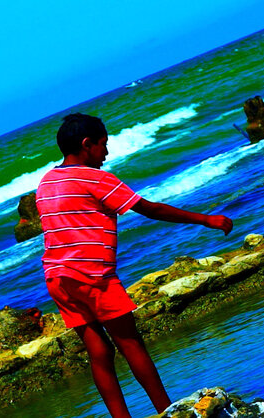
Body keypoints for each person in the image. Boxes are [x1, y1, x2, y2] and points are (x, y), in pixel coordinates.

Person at [36, 113, 233, 417]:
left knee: (99, 353)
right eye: (103, 145)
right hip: (93, 276)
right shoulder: (97, 178)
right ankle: (166, 411)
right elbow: (148, 209)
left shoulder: (47, 181)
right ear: (87, 145)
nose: (107, 153)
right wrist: (205, 219)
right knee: (131, 344)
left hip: (57, 277)